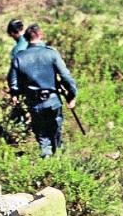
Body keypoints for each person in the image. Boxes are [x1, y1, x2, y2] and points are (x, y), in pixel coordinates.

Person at [7, 24, 78, 158]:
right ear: (40, 35)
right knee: (56, 127)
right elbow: (65, 76)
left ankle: (46, 156)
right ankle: (58, 154)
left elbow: (13, 81)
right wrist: (72, 95)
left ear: (26, 38)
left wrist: (15, 94)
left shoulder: (19, 57)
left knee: (41, 131)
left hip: (33, 102)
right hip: (53, 100)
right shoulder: (51, 53)